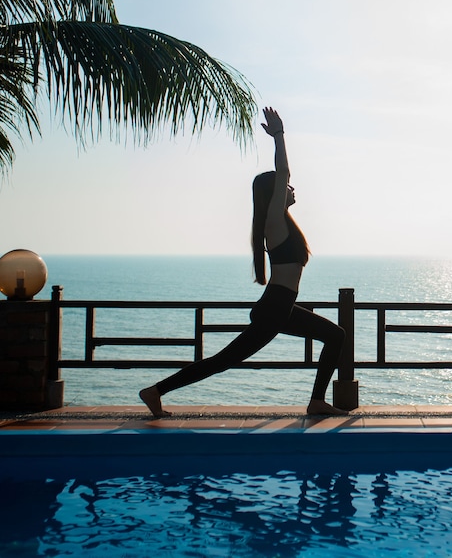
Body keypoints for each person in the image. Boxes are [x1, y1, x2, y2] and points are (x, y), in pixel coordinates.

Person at [139, 107, 347, 417]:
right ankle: (155, 391)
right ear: (274, 194)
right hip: (275, 308)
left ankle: (317, 401)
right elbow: (284, 172)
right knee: (223, 361)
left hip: (281, 307)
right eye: (285, 187)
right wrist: (279, 136)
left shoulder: (283, 224)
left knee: (335, 335)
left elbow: (284, 180)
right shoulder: (274, 223)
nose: (291, 189)